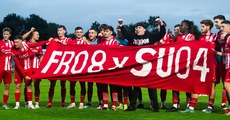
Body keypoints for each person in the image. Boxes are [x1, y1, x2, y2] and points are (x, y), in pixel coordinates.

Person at [118, 18, 166, 112]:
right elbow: (126, 34)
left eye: (139, 27)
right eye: (136, 28)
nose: (137, 29)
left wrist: (161, 23)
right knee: (136, 87)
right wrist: (121, 25)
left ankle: (155, 107)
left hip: (150, 66)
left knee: (151, 87)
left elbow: (161, 34)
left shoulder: (151, 36)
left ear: (144, 29)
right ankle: (132, 106)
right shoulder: (134, 37)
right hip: (138, 67)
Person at [180, 19, 216, 113]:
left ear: (208, 27)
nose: (201, 28)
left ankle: (210, 107)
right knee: (195, 84)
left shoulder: (214, 37)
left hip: (212, 64)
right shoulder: (201, 38)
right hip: (201, 65)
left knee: (211, 86)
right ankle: (191, 107)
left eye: (203, 26)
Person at [12, 35, 48, 109]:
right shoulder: (13, 50)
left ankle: (30, 104)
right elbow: (18, 65)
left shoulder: (26, 45)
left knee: (29, 85)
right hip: (18, 71)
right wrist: (25, 76)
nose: (15, 44)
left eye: (17, 42)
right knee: (18, 86)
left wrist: (47, 41)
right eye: (14, 42)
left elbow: (36, 44)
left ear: (21, 42)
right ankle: (17, 105)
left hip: (27, 69)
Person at [167, 20, 195, 112]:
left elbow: (193, 49)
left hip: (187, 65)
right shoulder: (179, 37)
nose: (180, 27)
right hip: (177, 64)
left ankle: (188, 103)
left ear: (186, 27)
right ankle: (175, 104)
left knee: (187, 85)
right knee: (174, 85)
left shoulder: (191, 36)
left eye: (182, 25)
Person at [46, 25, 72, 108]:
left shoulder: (69, 39)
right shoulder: (54, 40)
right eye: (58, 30)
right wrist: (49, 43)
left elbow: (69, 47)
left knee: (63, 84)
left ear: (64, 31)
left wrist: (59, 42)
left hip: (64, 64)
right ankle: (50, 102)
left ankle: (63, 102)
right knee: (52, 84)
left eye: (61, 30)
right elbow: (48, 49)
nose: (59, 32)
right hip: (55, 64)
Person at [66, 26, 89, 109]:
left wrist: (86, 41)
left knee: (83, 85)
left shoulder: (85, 42)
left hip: (83, 67)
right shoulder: (71, 42)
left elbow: (92, 49)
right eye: (77, 32)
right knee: (72, 85)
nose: (79, 33)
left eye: (80, 32)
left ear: (82, 33)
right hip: (73, 67)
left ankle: (81, 103)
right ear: (75, 33)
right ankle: (73, 103)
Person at [98, 25, 119, 110]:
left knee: (113, 86)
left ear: (111, 32)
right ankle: (105, 104)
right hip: (103, 67)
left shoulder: (115, 42)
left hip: (112, 67)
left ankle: (114, 104)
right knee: (104, 86)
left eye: (106, 31)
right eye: (104, 31)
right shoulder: (101, 43)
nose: (105, 33)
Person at [22, 27, 43, 108]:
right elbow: (21, 38)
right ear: (32, 35)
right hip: (28, 68)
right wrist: (30, 30)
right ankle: (27, 102)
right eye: (37, 34)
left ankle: (37, 102)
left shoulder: (39, 46)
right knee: (27, 85)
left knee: (37, 85)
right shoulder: (26, 44)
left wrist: (42, 67)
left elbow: (40, 57)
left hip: (36, 68)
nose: (39, 36)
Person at [213, 15, 228, 109]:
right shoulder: (218, 34)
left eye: (216, 22)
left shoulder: (228, 35)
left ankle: (224, 104)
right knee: (219, 82)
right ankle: (215, 105)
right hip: (221, 62)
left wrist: (216, 52)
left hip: (227, 61)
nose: (215, 24)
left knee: (227, 84)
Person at [0, 27, 14, 109]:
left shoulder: (12, 43)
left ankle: (4, 104)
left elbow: (21, 39)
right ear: (2, 34)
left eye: (7, 34)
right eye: (4, 34)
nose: (5, 35)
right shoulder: (0, 43)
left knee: (7, 86)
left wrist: (30, 31)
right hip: (0, 68)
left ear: (10, 35)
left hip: (8, 69)